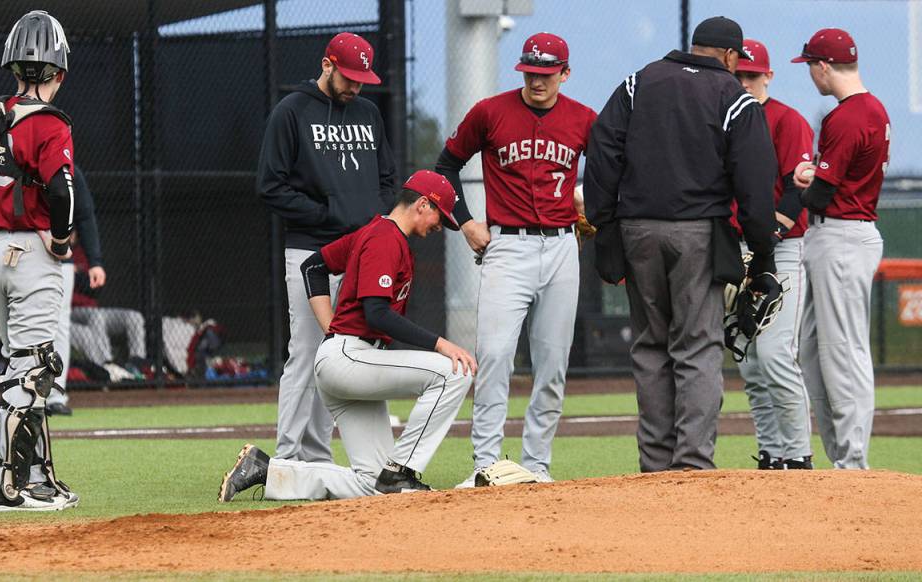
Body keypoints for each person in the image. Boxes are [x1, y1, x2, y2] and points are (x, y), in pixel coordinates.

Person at [583, 16, 778, 472]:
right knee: (696, 347)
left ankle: (654, 466)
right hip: (698, 234)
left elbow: (602, 149)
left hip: (637, 231)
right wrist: (762, 254)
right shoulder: (734, 96)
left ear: (693, 46)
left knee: (651, 345)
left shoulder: (639, 82)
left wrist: (605, 226)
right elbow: (754, 182)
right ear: (731, 56)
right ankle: (690, 465)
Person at [219, 171, 474, 501]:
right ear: (423, 204)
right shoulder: (386, 237)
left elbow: (313, 267)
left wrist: (330, 329)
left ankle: (266, 470)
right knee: (454, 371)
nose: (441, 226)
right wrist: (441, 344)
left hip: (350, 360)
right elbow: (376, 313)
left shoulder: (374, 232)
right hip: (350, 358)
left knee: (374, 485)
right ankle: (402, 471)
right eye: (441, 216)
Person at [434, 32, 597, 486]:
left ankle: (536, 465)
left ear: (565, 74)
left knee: (551, 364)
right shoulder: (490, 111)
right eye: (530, 71)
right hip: (506, 244)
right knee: (496, 356)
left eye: (546, 73)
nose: (537, 80)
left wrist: (590, 207)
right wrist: (465, 222)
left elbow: (611, 173)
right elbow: (444, 167)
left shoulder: (584, 119)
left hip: (563, 245)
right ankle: (486, 465)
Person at [0, 10, 79, 511]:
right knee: (35, 369)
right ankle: (7, 486)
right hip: (31, 252)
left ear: (14, 69)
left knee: (22, 366)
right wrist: (61, 240)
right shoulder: (52, 124)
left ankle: (39, 478)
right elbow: (63, 190)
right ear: (59, 73)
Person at [257, 32, 396, 465]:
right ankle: (287, 457)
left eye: (362, 78)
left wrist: (371, 218)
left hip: (359, 253)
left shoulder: (368, 113)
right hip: (311, 251)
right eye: (350, 76)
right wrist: (327, 214)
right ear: (327, 64)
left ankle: (317, 456)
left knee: (338, 353)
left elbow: (388, 179)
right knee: (306, 350)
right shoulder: (291, 111)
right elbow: (269, 186)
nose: (356, 86)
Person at [791, 29, 890, 469]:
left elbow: (822, 194)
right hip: (840, 234)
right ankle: (843, 459)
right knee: (812, 351)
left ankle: (852, 463)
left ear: (824, 66)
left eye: (811, 65)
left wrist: (802, 179)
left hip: (843, 236)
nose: (811, 75)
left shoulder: (848, 115)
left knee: (843, 352)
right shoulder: (871, 110)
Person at [729, 39, 816, 470]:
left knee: (776, 354)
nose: (745, 82)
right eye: (738, 74)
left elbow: (800, 191)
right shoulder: (721, 120)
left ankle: (799, 453)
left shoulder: (787, 120)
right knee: (747, 357)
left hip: (780, 251)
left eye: (752, 75)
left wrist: (771, 236)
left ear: (768, 76)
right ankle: (771, 452)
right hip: (735, 251)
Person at [46, 166, 105, 415]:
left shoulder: (70, 172)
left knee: (59, 324)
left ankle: (55, 393)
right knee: (24, 324)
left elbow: (85, 215)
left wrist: (95, 261)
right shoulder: (21, 163)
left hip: (61, 258)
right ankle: (22, 392)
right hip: (24, 254)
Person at [69, 241, 146, 382]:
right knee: (96, 317)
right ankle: (108, 364)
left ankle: (137, 366)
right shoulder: (58, 251)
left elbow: (95, 288)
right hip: (71, 312)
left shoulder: (86, 251)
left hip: (92, 310)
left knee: (134, 317)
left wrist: (77, 275)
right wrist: (77, 275)